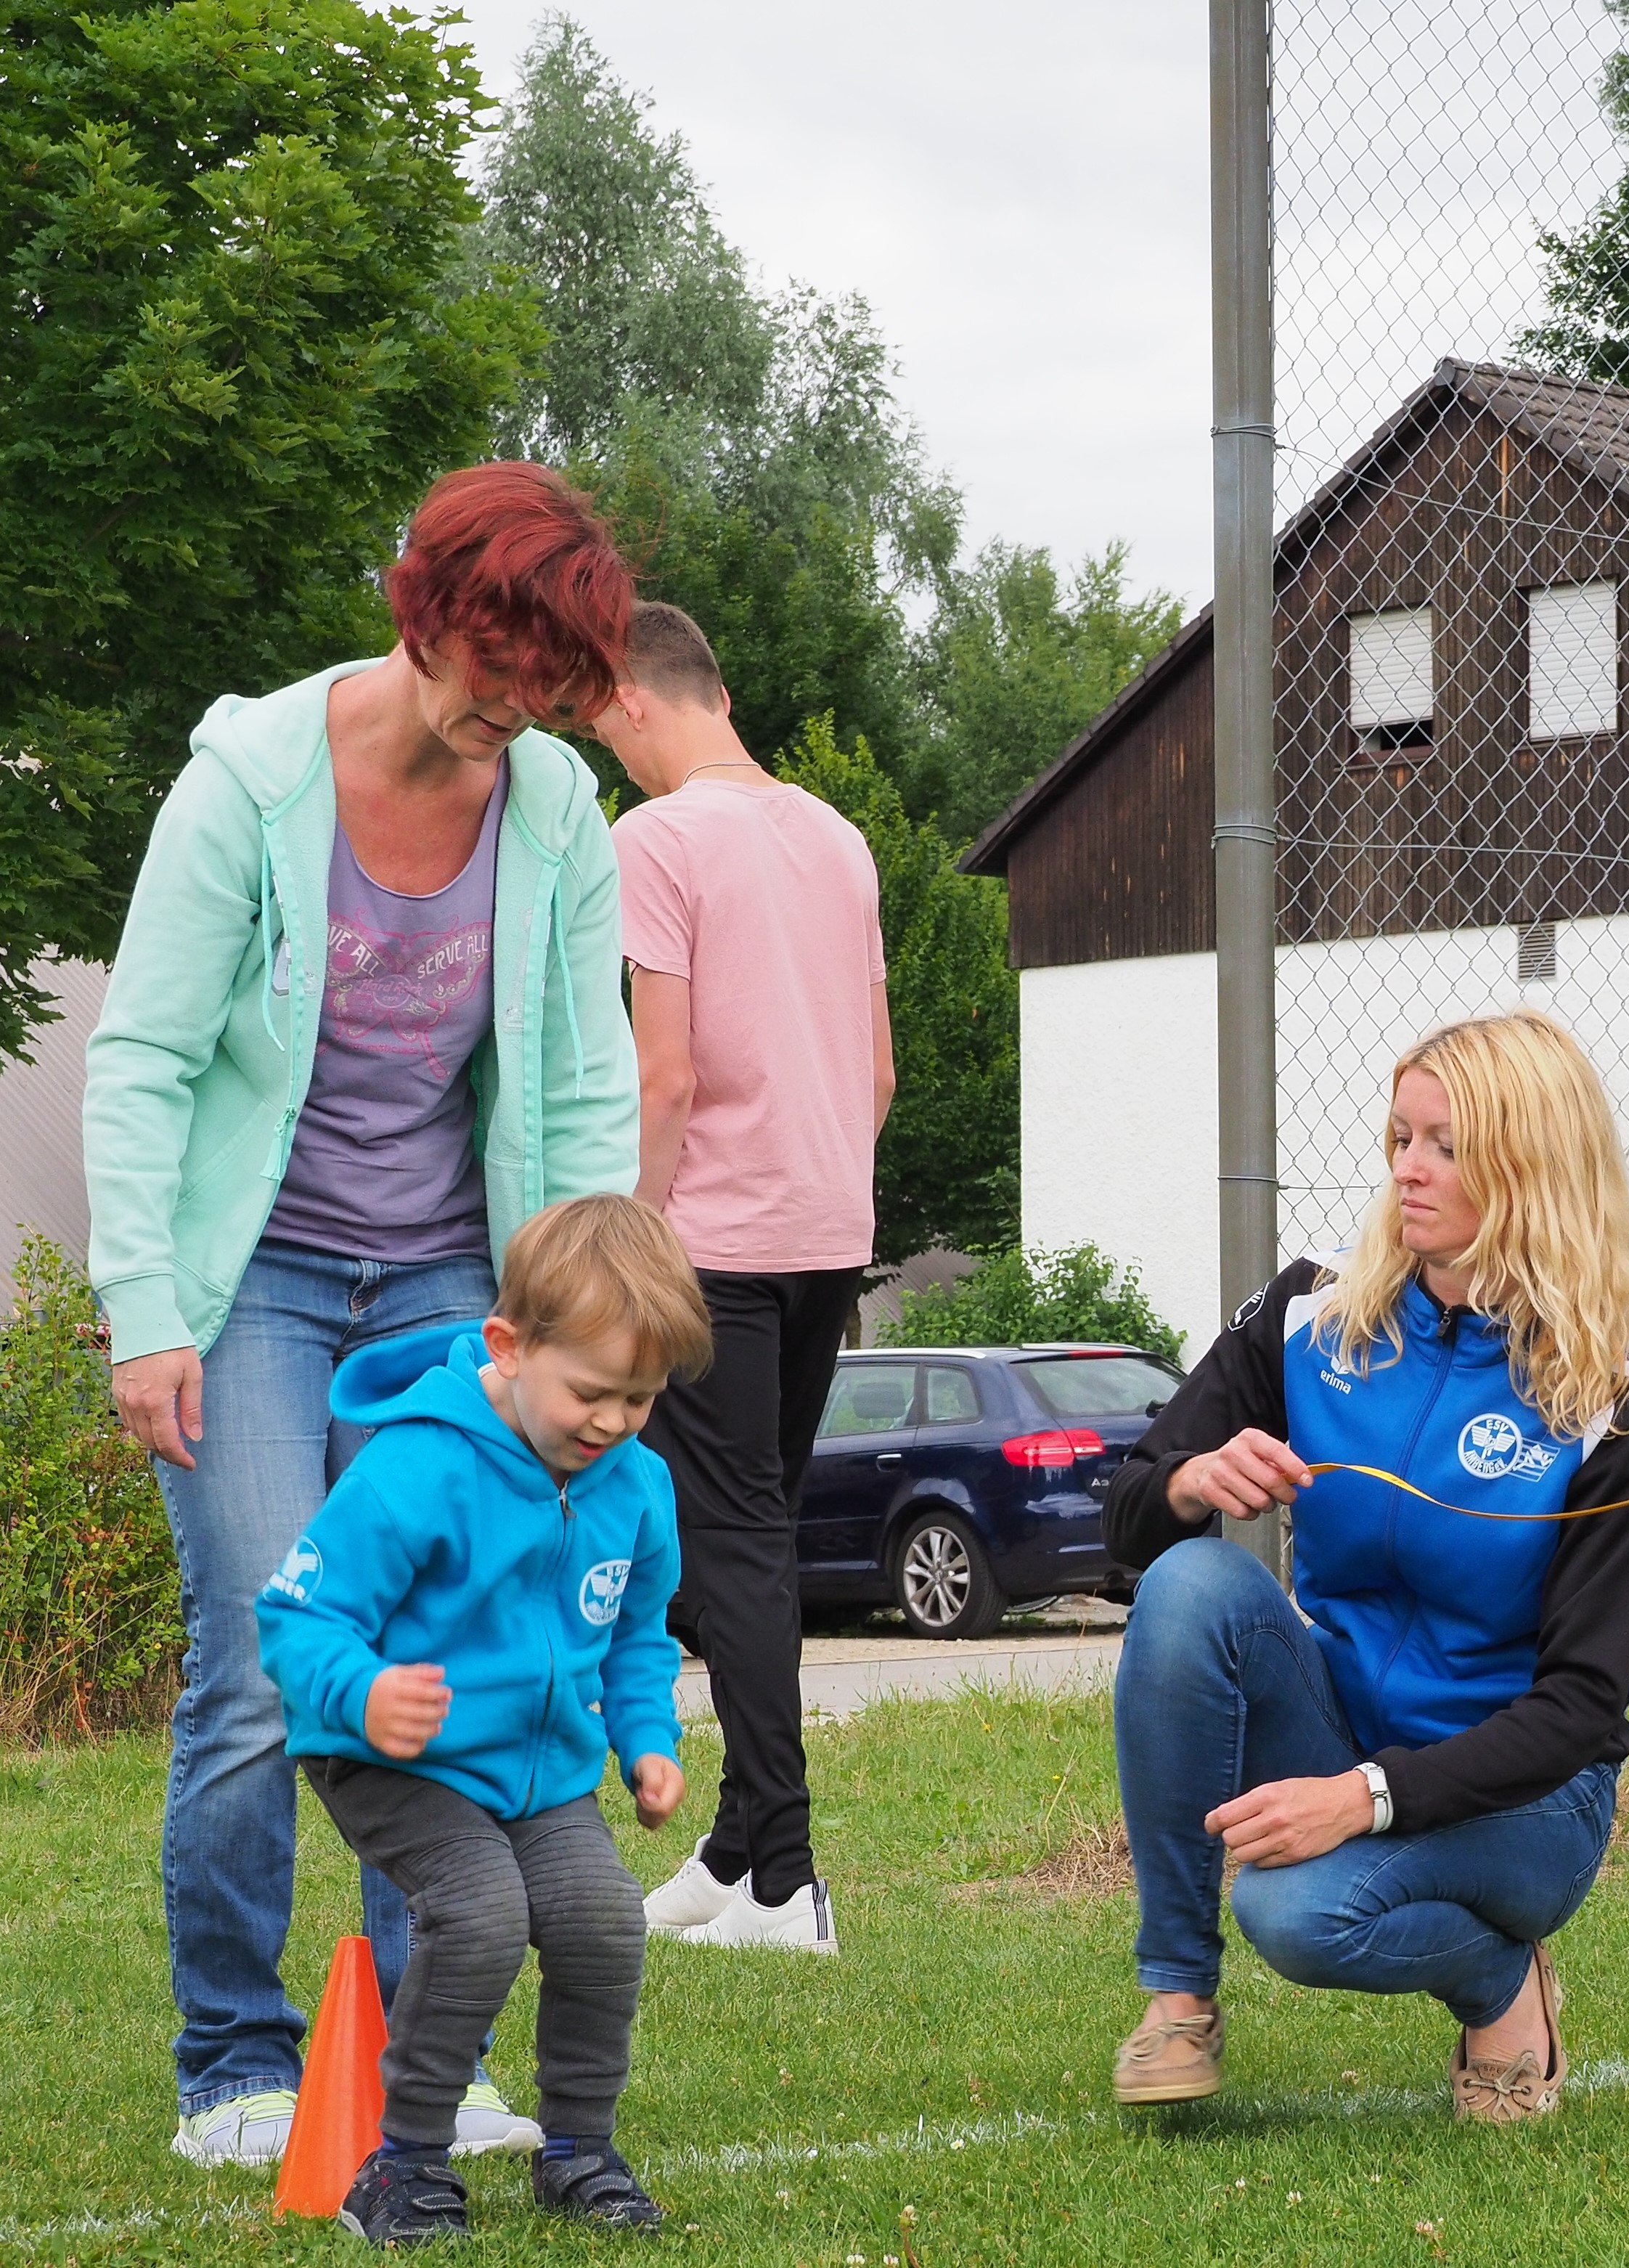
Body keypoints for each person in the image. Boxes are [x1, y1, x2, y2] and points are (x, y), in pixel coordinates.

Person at [84, 462, 642, 2168]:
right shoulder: (249, 784)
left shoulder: (558, 819)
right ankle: (236, 2062)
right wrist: (142, 1309)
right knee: (267, 1654)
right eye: (502, 655)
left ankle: (423, 2055)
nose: (521, 702)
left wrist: (584, 1322)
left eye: (555, 677)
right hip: (246, 1283)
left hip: (453, 1290)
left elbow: (587, 1088)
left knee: (454, 1653)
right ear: (429, 607)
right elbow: (145, 1058)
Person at [1100, 1009, 1629, 2120]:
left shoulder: (1614, 1414)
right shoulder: (1312, 1319)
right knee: (1190, 1586)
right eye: (1399, 1139)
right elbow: (1129, 1513)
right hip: (1345, 1732)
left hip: (1529, 1803)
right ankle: (1176, 2000)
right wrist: (1187, 1482)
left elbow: (1578, 1708)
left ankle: (1501, 1982)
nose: (1407, 1170)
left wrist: (1363, 1800)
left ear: (1529, 1167)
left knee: (1295, 1915)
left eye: (1444, 1146)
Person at [256, 1195, 706, 2245]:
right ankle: (402, 2166)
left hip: (536, 1767)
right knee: (484, 1914)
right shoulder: (419, 1467)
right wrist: (364, 1693)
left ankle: (578, 2151)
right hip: (390, 1755)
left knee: (601, 1921)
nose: (612, 1423)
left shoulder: (634, 1486)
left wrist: (648, 1742)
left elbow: (637, 1631)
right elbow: (296, 1617)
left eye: (641, 1400)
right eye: (592, 1393)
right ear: (508, 1346)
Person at [587, 601, 894, 1954]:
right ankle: (734, 1850)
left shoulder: (650, 840)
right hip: (829, 1232)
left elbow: (666, 1071)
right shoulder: (839, 837)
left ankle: (787, 1880)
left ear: (639, 697)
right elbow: (877, 1074)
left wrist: (629, 1242)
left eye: (600, 723)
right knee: (741, 1544)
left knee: (733, 1551)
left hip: (710, 1246)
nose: (606, 752)